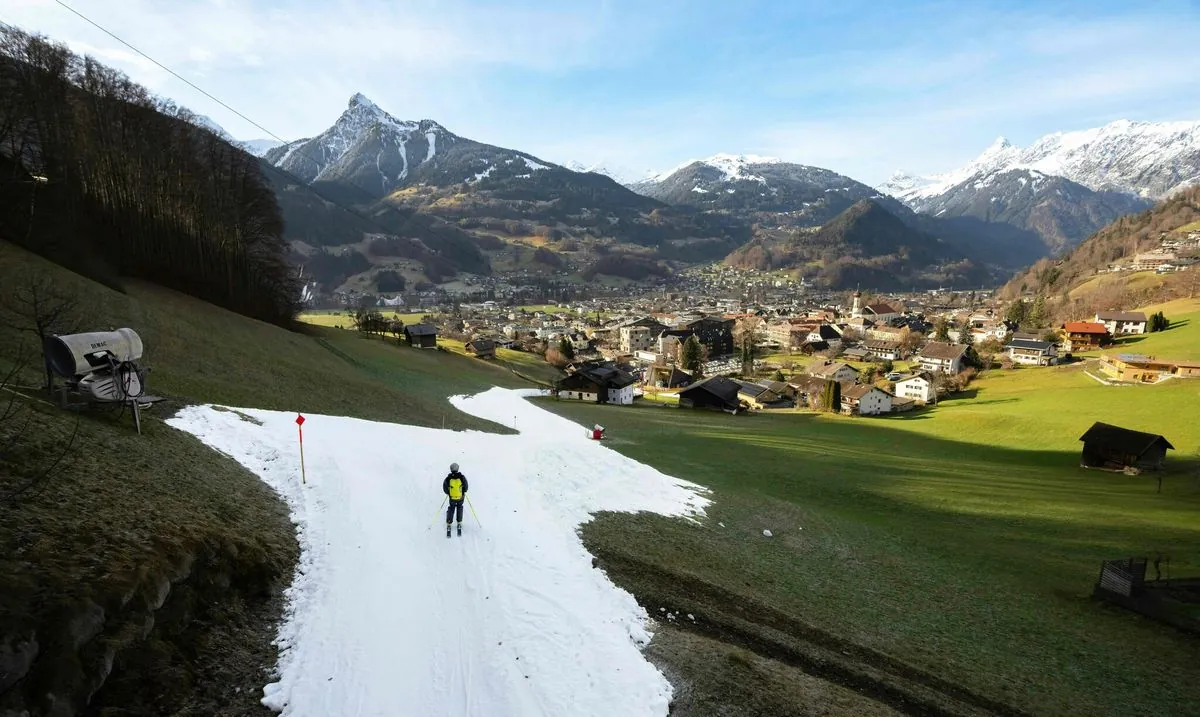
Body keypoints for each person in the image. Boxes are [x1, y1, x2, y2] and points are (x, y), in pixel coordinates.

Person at [443, 462, 468, 537]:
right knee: (460, 507)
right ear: (457, 469)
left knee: (451, 508)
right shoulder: (462, 477)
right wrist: (463, 491)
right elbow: (466, 486)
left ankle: (449, 523)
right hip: (460, 497)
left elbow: (444, 487)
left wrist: (449, 493)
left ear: (451, 469)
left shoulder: (448, 478)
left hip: (452, 498)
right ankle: (459, 522)